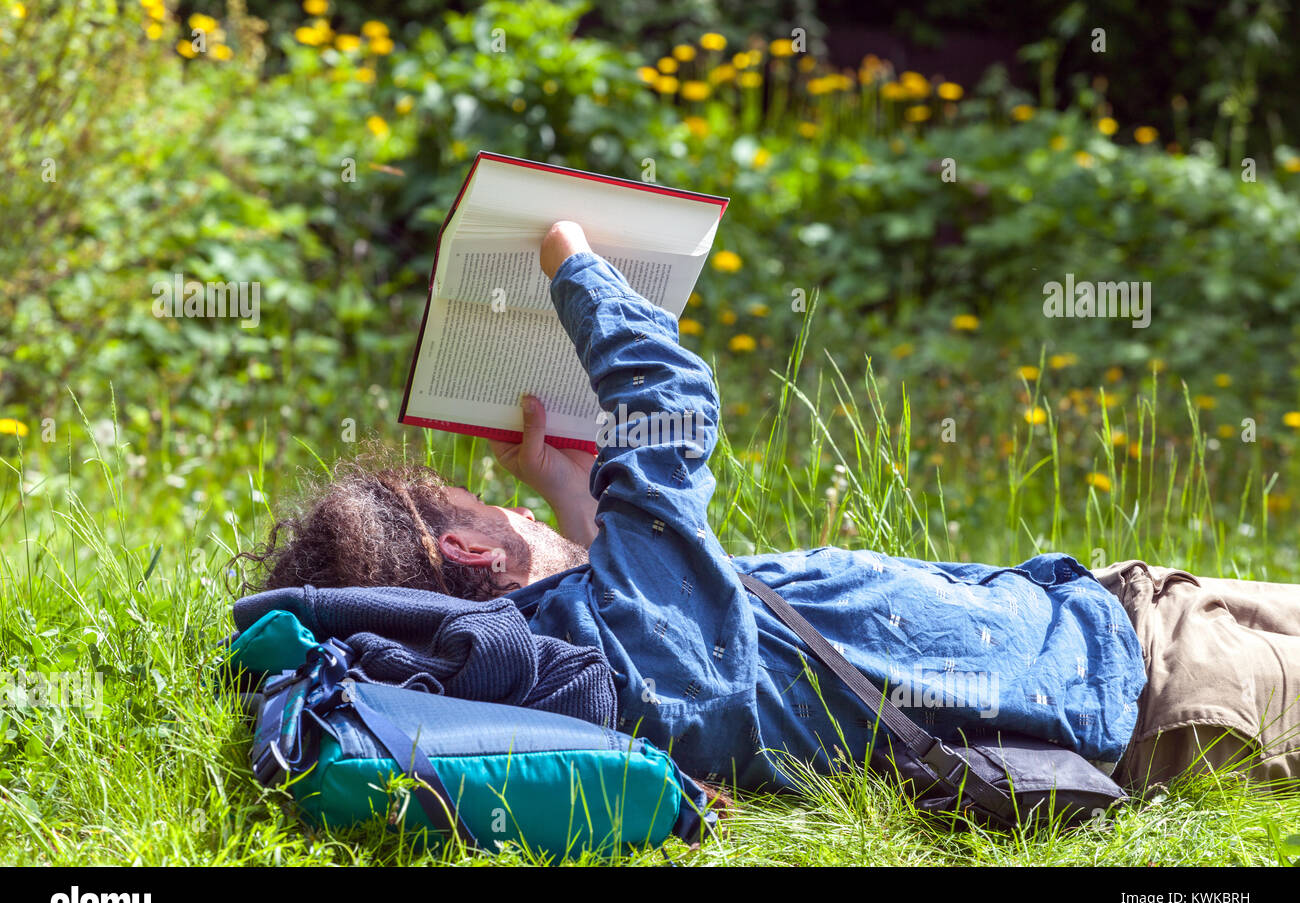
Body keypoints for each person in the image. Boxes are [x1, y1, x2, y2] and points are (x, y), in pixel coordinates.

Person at [237, 221, 1300, 799]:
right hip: (1165, 674)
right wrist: (570, 258)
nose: (512, 505)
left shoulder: (598, 667)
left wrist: (560, 485)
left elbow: (638, 592)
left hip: (1118, 646)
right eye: (488, 504)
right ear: (467, 545)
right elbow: (670, 402)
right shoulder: (626, 628)